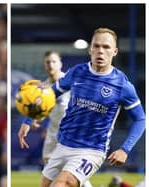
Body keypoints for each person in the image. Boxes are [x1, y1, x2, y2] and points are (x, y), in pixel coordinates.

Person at [18, 27, 145, 187]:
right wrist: (28, 120)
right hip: (63, 144)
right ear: (91, 49)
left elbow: (140, 119)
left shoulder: (123, 85)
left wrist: (125, 149)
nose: (100, 51)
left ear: (115, 51)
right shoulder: (77, 72)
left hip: (91, 150)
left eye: (106, 47)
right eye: (97, 46)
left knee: (61, 184)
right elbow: (49, 95)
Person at [24, 51, 93, 187]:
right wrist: (36, 120)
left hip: (71, 134)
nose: (50, 64)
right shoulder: (43, 87)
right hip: (53, 133)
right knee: (51, 168)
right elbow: (45, 109)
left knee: (70, 170)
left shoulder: (70, 82)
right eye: (47, 62)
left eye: (53, 61)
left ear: (60, 64)